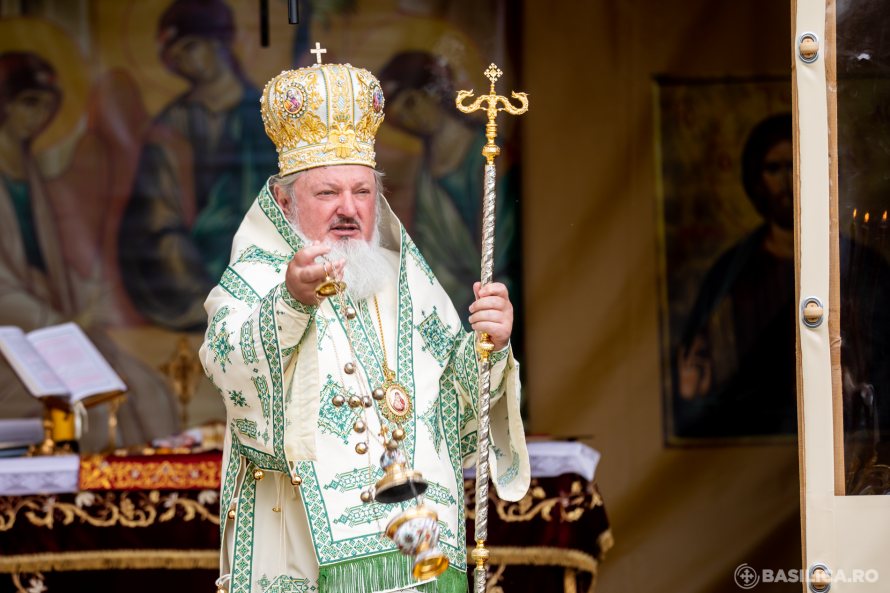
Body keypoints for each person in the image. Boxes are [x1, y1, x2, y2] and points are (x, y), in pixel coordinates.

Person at [200, 57, 529, 592]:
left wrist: (488, 346)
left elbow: (455, 417)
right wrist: (291, 301)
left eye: (362, 192)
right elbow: (230, 370)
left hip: (419, 549)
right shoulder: (259, 278)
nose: (348, 209)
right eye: (327, 193)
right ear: (284, 201)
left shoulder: (411, 285)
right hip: (305, 553)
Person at [0, 51, 179, 451]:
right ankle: (93, 505)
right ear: (4, 103)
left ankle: (159, 498)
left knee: (145, 385)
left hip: (47, 326)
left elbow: (49, 260)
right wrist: (56, 319)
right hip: (12, 343)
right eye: (29, 103)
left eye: (48, 106)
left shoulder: (26, 168)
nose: (39, 116)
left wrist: (78, 304)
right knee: (94, 405)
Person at [119, 0, 278, 330]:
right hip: (195, 273)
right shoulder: (170, 126)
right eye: (174, 57)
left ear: (219, 40)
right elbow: (155, 217)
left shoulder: (270, 115)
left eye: (190, 47)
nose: (184, 62)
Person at [674, 113, 797, 438]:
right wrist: (693, 393)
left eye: (793, 165)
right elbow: (698, 373)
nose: (785, 181)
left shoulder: (857, 264)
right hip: (748, 425)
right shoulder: (730, 271)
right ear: (757, 180)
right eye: (774, 169)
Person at [378, 51, 521, 326]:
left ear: (435, 91)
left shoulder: (489, 155)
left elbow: (503, 247)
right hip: (453, 302)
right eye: (399, 119)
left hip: (495, 300)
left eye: (411, 102)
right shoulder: (426, 171)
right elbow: (431, 249)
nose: (411, 118)